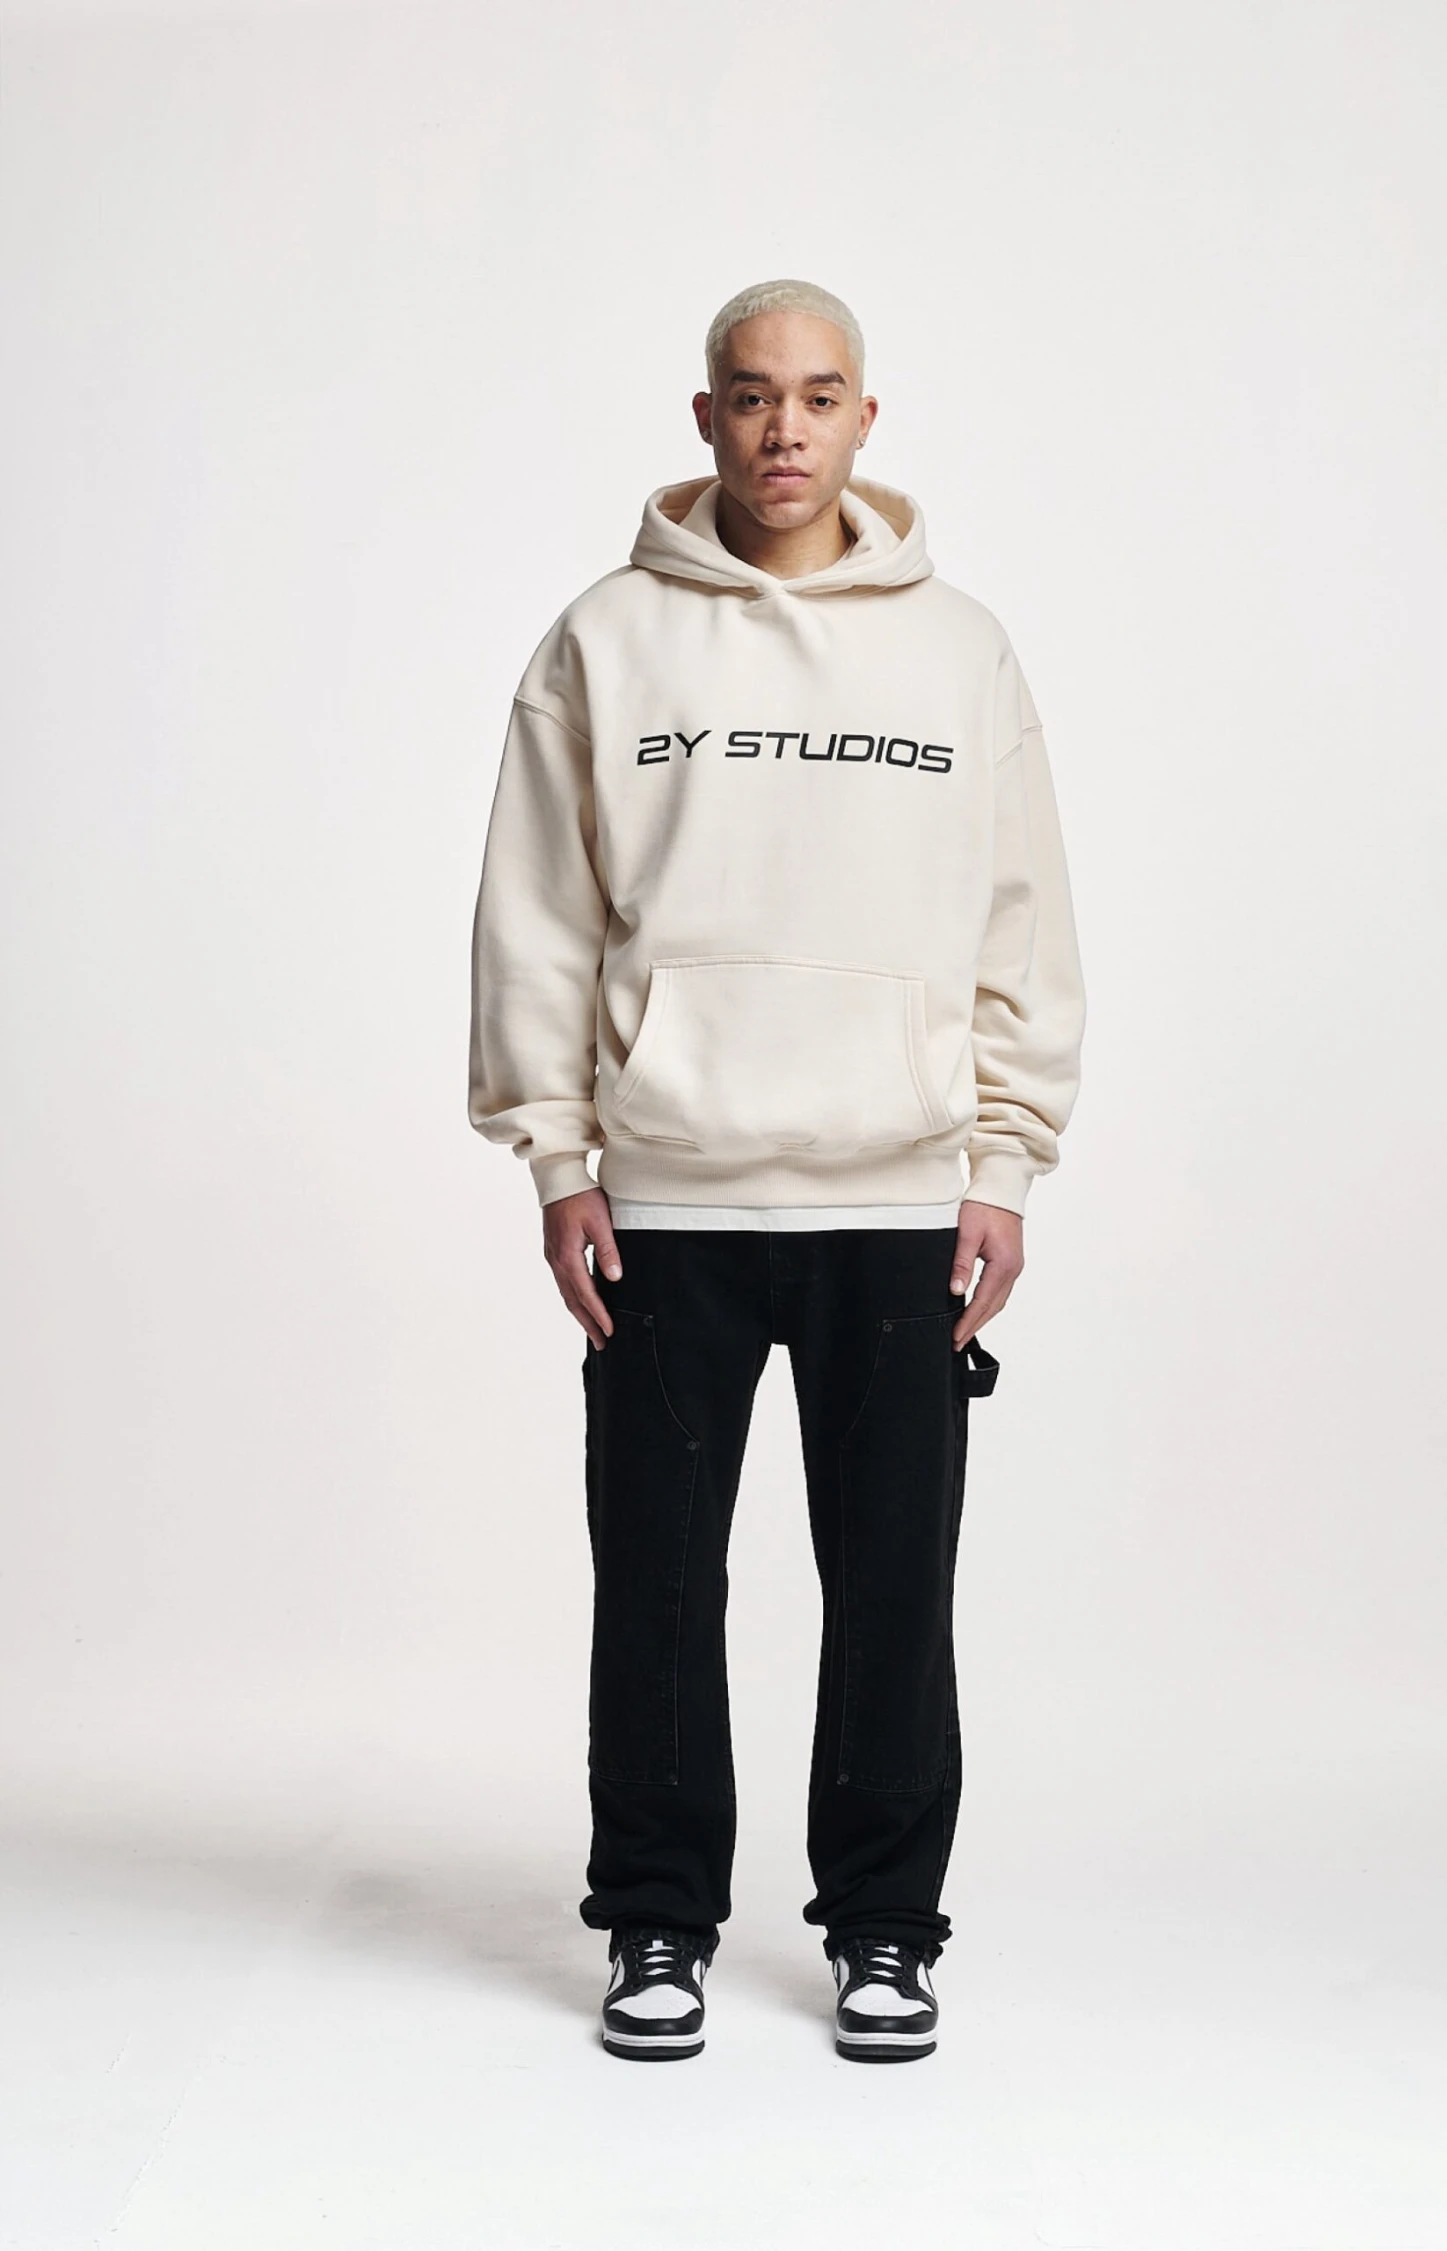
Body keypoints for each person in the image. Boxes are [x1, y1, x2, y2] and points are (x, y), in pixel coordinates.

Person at [468, 277, 1086, 2063]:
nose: (786, 428)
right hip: (667, 1202)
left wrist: (1005, 1161)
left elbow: (1020, 921)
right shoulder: (606, 641)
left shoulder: (960, 651)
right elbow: (539, 914)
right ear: (706, 419)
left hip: (899, 1202)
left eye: (820, 396)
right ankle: (657, 1921)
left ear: (866, 420)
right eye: (752, 396)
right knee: (659, 1589)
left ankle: (886, 1928)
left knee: (893, 1592)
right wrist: (558, 1158)